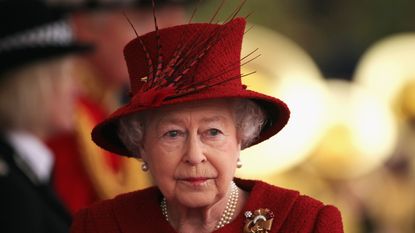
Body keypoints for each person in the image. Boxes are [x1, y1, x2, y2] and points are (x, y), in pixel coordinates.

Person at [70, 3, 344, 233]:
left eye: (212, 132)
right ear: (142, 147)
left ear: (241, 138)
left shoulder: (305, 224)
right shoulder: (99, 226)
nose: (194, 155)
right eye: (172, 133)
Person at [46, 0, 195, 214]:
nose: (168, 31)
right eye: (145, 18)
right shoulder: (61, 119)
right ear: (85, 24)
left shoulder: (110, 103)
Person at [0, 0, 91, 232]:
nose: (77, 89)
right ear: (32, 85)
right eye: (65, 75)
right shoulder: (9, 191)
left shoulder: (23, 168)